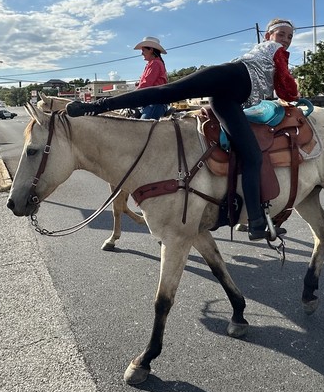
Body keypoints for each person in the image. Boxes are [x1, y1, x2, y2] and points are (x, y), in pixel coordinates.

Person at [66, 18, 300, 242]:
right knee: (167, 93)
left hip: (228, 101)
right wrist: (293, 92)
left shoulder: (276, 58)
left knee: (251, 154)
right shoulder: (274, 50)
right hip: (228, 78)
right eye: (281, 34)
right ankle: (94, 107)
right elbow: (287, 88)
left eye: (290, 37)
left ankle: (255, 222)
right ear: (268, 36)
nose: (286, 40)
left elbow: (281, 87)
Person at [133, 36, 168, 119]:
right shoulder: (154, 63)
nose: (142, 53)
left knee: (142, 126)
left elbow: (146, 85)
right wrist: (139, 84)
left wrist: (129, 96)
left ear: (151, 50)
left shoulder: (155, 63)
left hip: (155, 103)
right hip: (152, 103)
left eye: (143, 50)